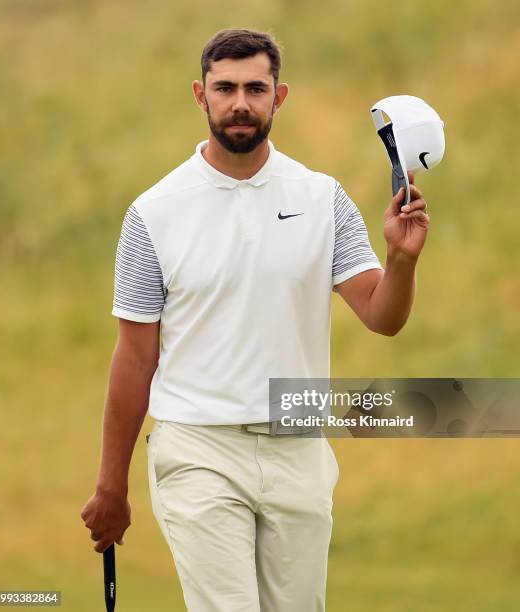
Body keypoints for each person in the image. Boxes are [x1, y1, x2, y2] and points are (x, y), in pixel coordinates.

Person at [81, 28, 429, 612]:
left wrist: (400, 260)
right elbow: (135, 357)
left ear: (279, 95)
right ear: (200, 95)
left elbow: (382, 316)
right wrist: (111, 485)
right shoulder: (152, 213)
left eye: (254, 88)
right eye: (225, 88)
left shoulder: (323, 198)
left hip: (298, 448)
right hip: (198, 451)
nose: (239, 102)